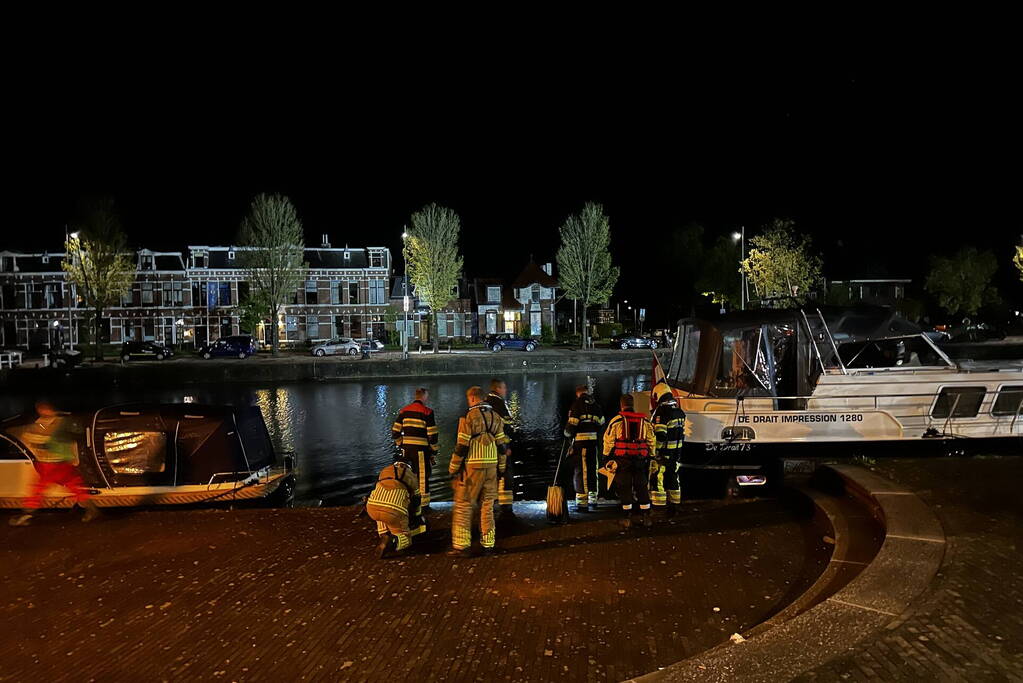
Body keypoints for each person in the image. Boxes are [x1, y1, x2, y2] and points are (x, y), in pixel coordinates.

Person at [9, 401, 98, 526]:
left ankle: (27, 514)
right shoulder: (52, 422)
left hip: (52, 463)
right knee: (74, 485)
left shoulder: (55, 424)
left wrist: (41, 443)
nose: (43, 412)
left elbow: (44, 439)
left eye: (44, 409)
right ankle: (91, 509)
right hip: (56, 462)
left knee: (38, 488)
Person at [448, 386, 509, 557]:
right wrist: (501, 468)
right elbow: (502, 447)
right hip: (492, 467)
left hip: (472, 468)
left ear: (473, 398)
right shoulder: (496, 417)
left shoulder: (468, 417)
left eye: (469, 399)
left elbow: (461, 446)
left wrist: (453, 468)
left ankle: (462, 546)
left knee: (464, 505)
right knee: (487, 507)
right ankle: (488, 544)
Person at [602, 393, 657, 529]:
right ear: (633, 405)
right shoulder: (644, 421)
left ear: (621, 405)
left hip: (622, 460)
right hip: (640, 460)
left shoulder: (616, 421)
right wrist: (652, 455)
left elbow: (608, 440)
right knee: (641, 486)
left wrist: (606, 456)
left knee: (624, 487)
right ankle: (646, 517)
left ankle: (627, 518)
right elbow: (651, 440)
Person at [366, 460, 426, 559]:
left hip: (372, 506)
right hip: (393, 510)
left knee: (381, 516)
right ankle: (391, 542)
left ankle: (384, 535)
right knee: (406, 539)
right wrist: (417, 516)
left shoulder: (385, 471)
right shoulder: (411, 476)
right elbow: (416, 499)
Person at [391, 388, 439, 508]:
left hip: (406, 451)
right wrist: (434, 450)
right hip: (421, 451)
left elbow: (395, 431)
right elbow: (432, 435)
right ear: (424, 396)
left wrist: (401, 444)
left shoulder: (404, 411)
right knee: (422, 477)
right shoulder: (427, 412)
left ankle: (409, 503)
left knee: (407, 476)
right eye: (427, 396)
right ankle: (423, 506)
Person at [563, 384, 605, 512]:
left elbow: (571, 426)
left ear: (578, 394)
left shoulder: (577, 405)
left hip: (581, 444)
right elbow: (601, 423)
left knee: (581, 472)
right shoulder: (595, 405)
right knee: (592, 469)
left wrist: (567, 433)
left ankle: (582, 503)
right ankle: (593, 500)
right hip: (593, 443)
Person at [650, 382, 685, 516]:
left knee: (658, 477)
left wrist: (656, 452)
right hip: (677, 452)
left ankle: (658, 507)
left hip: (664, 452)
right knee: (673, 476)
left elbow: (660, 434)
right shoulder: (679, 411)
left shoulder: (662, 412)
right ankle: (674, 505)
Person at [484, 378, 516, 517]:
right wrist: (507, 445)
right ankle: (506, 506)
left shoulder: (485, 403)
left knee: (492, 475)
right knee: (506, 474)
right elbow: (507, 426)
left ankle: (492, 503)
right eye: (504, 387)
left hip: (488, 448)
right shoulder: (499, 403)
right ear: (497, 388)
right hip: (502, 446)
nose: (505, 390)